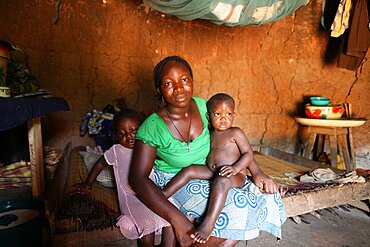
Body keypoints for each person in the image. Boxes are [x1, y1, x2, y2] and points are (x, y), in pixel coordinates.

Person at [130, 55, 286, 247]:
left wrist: (258, 172)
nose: (179, 88)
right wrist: (177, 219)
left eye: (185, 80)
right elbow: (137, 178)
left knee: (262, 198)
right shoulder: (152, 126)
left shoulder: (205, 107)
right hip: (175, 179)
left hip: (209, 172)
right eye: (169, 83)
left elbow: (233, 143)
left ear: (192, 81)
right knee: (239, 206)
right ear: (159, 90)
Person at [161, 92, 273, 244]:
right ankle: (164, 193)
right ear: (208, 117)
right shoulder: (209, 133)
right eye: (218, 114)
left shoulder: (235, 133)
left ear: (233, 116)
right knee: (190, 169)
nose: (223, 118)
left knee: (221, 182)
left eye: (228, 114)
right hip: (212, 170)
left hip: (233, 175)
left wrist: (235, 168)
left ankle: (208, 223)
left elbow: (248, 154)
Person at [75, 109, 175, 247]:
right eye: (122, 134)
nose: (129, 137)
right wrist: (88, 183)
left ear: (142, 129)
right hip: (131, 199)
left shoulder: (148, 146)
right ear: (116, 135)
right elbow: (100, 164)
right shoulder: (116, 151)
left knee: (171, 220)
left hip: (149, 194)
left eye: (133, 130)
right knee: (147, 225)